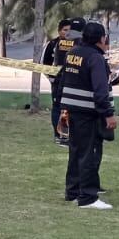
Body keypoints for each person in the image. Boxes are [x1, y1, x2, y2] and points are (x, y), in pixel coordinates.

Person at [60, 20, 117, 209]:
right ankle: (88, 198)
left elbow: (62, 80)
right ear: (101, 38)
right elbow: (100, 90)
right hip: (89, 112)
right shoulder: (95, 58)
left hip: (73, 110)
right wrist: (108, 114)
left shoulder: (72, 53)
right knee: (89, 154)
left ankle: (73, 191)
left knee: (75, 151)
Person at [45, 17, 82, 146]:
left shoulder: (78, 43)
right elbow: (45, 64)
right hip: (58, 82)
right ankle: (59, 135)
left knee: (68, 109)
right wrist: (51, 78)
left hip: (71, 82)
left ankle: (68, 135)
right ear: (59, 31)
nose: (67, 33)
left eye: (69, 30)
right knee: (57, 108)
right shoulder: (54, 44)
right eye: (65, 30)